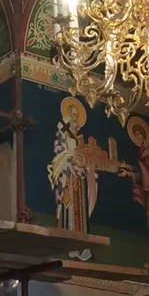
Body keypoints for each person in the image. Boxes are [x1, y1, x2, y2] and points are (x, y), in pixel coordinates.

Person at [48, 97, 97, 233]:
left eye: (76, 115)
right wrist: (70, 161)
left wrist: (85, 167)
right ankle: (66, 230)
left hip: (79, 179)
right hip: (67, 176)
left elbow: (83, 156)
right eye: (72, 114)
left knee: (80, 206)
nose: (74, 118)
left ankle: (81, 233)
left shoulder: (78, 138)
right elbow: (59, 152)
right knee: (67, 205)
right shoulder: (62, 131)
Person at [119, 117, 149, 229]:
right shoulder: (141, 151)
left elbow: (146, 173)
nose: (137, 137)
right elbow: (143, 170)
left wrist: (129, 173)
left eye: (139, 134)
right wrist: (128, 168)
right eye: (135, 135)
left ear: (144, 135)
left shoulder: (147, 151)